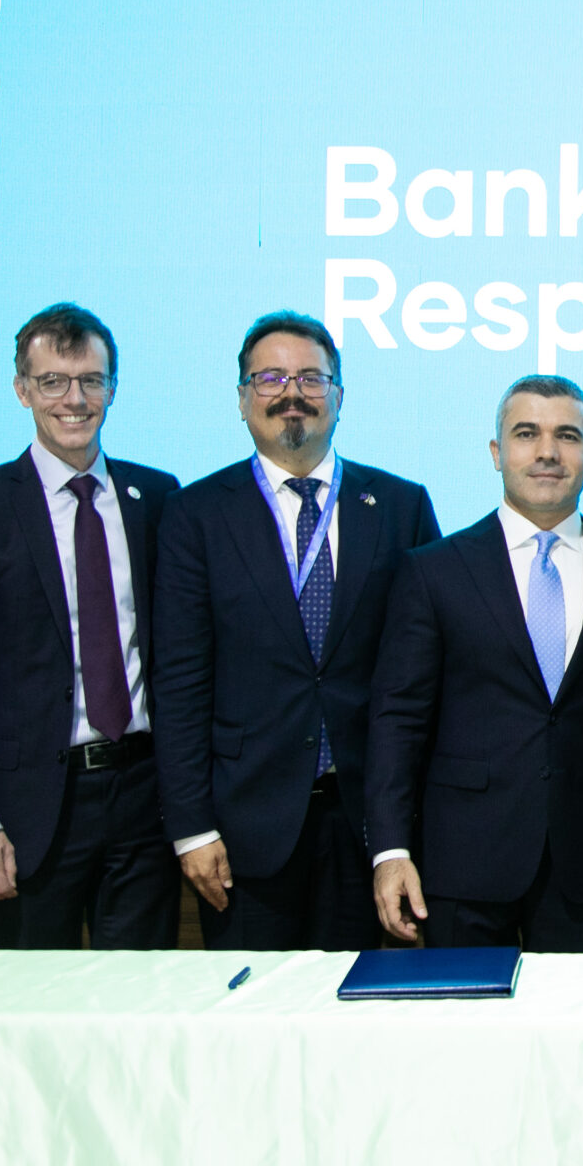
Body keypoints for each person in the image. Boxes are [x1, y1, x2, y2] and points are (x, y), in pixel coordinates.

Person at [151, 311, 438, 950]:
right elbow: (179, 683)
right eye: (271, 378)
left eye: (311, 378)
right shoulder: (195, 514)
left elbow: (424, 676)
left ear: (339, 396)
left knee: (357, 1001)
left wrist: (406, 829)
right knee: (251, 1004)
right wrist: (192, 826)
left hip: (368, 824)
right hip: (243, 825)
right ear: (242, 398)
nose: (292, 393)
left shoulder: (400, 506)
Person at [369, 376, 583, 951]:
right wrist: (390, 849)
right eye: (526, 433)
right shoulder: (433, 571)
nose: (547, 452)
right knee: (463, 1012)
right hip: (462, 859)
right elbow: (397, 719)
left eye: (568, 436)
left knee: (580, 1014)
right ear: (496, 452)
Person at [0, 303, 183, 949]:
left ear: (113, 388)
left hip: (144, 797)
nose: (75, 399)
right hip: (31, 806)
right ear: (22, 389)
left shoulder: (157, 497)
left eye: (91, 380)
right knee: (37, 996)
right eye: (53, 382)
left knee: (141, 994)